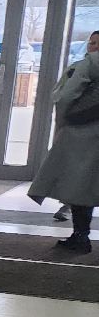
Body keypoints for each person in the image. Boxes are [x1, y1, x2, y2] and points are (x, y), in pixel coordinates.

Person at [29, 29, 99, 254]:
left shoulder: (89, 64)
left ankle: (81, 236)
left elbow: (65, 96)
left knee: (80, 186)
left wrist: (63, 119)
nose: (93, 47)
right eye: (92, 42)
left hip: (85, 132)